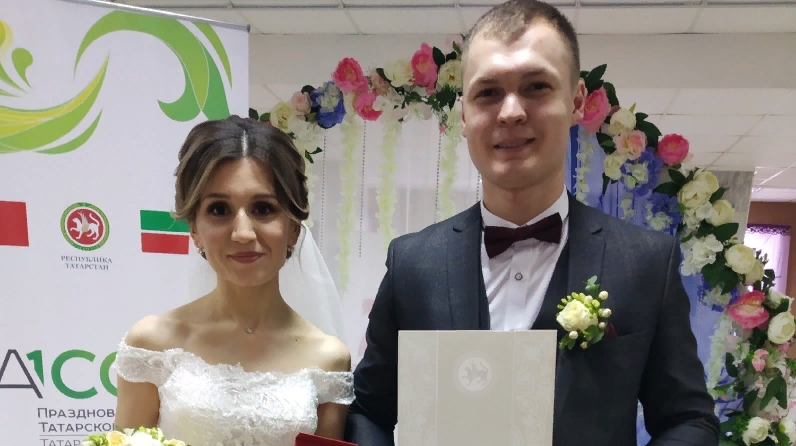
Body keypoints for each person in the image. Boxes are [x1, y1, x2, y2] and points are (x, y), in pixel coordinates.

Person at [344, 1, 720, 445]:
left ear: (576, 100)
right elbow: (368, 412)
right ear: (463, 114)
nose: (510, 112)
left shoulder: (646, 262)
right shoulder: (412, 263)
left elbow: (688, 420)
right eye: (488, 93)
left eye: (536, 86)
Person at [113, 116, 354, 446]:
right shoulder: (151, 344)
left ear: (293, 228)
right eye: (219, 210)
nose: (243, 233)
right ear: (194, 229)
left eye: (263, 208)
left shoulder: (329, 358)